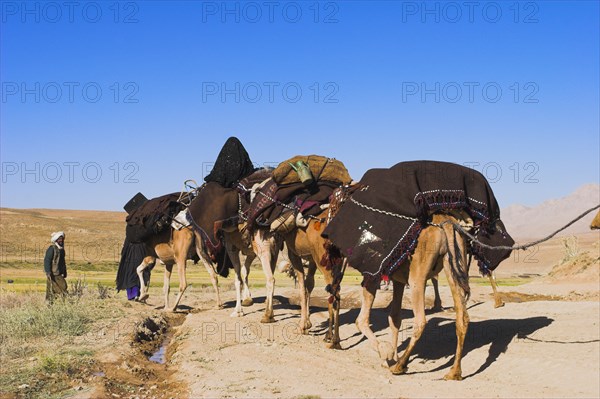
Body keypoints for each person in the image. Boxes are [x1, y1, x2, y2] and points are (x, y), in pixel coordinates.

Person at [44, 231, 68, 302]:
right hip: (52, 274)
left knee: (63, 286)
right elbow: (47, 260)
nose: (61, 241)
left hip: (58, 273)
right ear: (56, 240)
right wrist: (48, 272)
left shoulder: (62, 250)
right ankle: (50, 304)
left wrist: (64, 271)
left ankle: (61, 302)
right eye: (59, 239)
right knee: (51, 290)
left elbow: (63, 262)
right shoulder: (51, 249)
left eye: (62, 239)